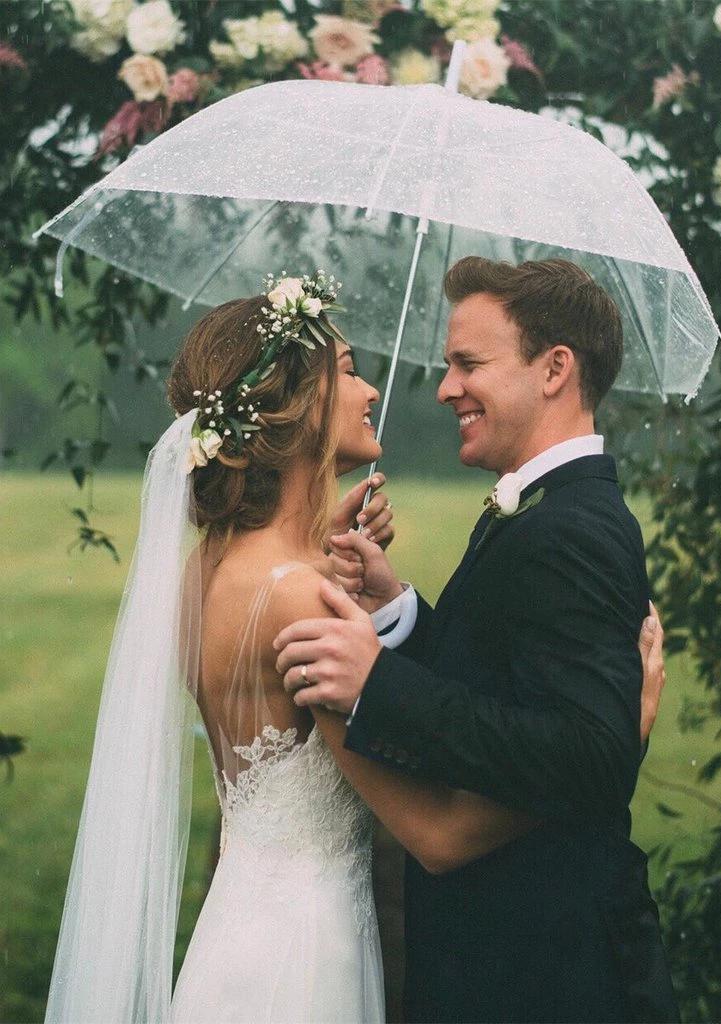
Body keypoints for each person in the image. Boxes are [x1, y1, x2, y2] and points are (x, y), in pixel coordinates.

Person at [44, 269, 665, 1024]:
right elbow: (438, 833)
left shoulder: (207, 571)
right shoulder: (304, 596)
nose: (376, 390)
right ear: (298, 403)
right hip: (305, 962)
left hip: (237, 933)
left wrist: (371, 594)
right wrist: (620, 742)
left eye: (467, 364)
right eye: (348, 370)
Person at [274, 257, 679, 1023]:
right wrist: (396, 611)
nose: (445, 387)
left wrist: (378, 684)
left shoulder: (574, 529)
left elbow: (591, 754)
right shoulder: (542, 509)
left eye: (469, 364)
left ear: (554, 368)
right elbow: (504, 684)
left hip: (545, 979)